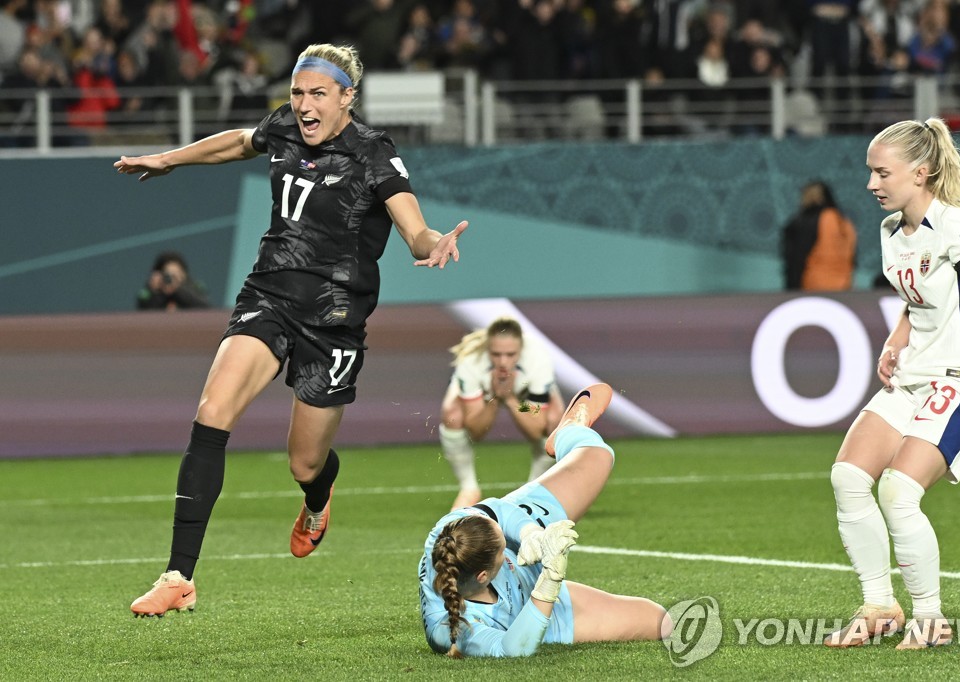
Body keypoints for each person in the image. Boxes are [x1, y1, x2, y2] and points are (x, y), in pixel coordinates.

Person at [116, 42, 470, 617]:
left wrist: (435, 244)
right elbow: (238, 141)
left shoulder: (373, 151)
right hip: (268, 296)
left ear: (347, 97)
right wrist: (169, 158)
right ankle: (179, 576)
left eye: (317, 95)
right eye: (298, 93)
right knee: (212, 412)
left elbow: (414, 228)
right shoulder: (284, 126)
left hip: (334, 320)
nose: (303, 106)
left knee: (304, 463)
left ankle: (318, 494)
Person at [824, 118, 960, 650]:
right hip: (912, 375)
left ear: (920, 172)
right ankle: (880, 606)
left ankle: (931, 619)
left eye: (882, 173)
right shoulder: (890, 232)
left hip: (959, 378)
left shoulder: (954, 225)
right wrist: (896, 339)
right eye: (871, 172)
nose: (871, 184)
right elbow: (919, 297)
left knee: (899, 492)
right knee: (847, 477)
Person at [420, 383, 669, 657]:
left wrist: (529, 535)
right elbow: (512, 649)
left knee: (598, 454)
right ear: (484, 575)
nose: (507, 543)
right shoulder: (451, 629)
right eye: (504, 548)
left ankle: (568, 432)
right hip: (538, 611)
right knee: (661, 622)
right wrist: (549, 581)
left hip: (526, 526)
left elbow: (499, 511)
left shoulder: (448, 532)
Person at [440, 317, 564, 510]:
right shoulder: (471, 361)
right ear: (487, 349)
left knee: (554, 421)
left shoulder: (539, 357)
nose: (503, 362)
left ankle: (532, 491)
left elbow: (535, 427)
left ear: (521, 350)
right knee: (452, 414)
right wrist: (496, 399)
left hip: (523, 400)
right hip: (486, 397)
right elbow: (476, 432)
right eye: (496, 354)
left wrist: (511, 399)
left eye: (510, 354)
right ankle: (469, 488)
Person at [781, 180, 857, 291]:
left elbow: (797, 255)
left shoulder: (811, 220)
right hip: (844, 286)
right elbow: (853, 257)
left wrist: (792, 286)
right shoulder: (844, 222)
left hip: (812, 286)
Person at [136, 250, 210, 311]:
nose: (172, 279)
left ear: (184, 274)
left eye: (176, 274)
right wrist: (155, 292)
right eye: (168, 275)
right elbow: (143, 313)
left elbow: (206, 308)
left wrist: (178, 291)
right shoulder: (151, 291)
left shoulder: (195, 287)